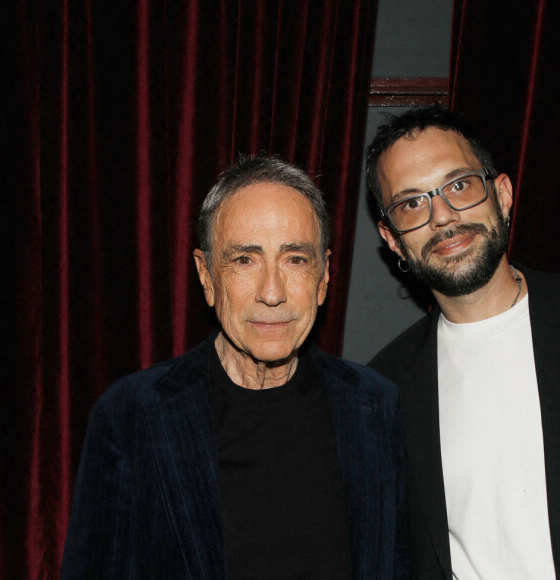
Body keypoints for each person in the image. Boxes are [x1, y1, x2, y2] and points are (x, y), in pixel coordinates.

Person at [61, 156, 408, 579]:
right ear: (207, 277)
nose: (272, 292)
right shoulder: (131, 417)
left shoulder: (378, 407)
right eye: (245, 259)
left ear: (324, 277)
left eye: (295, 259)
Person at [366, 104, 560, 579]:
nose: (443, 217)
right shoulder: (382, 393)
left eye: (458, 186)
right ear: (392, 240)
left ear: (503, 194)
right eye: (412, 203)